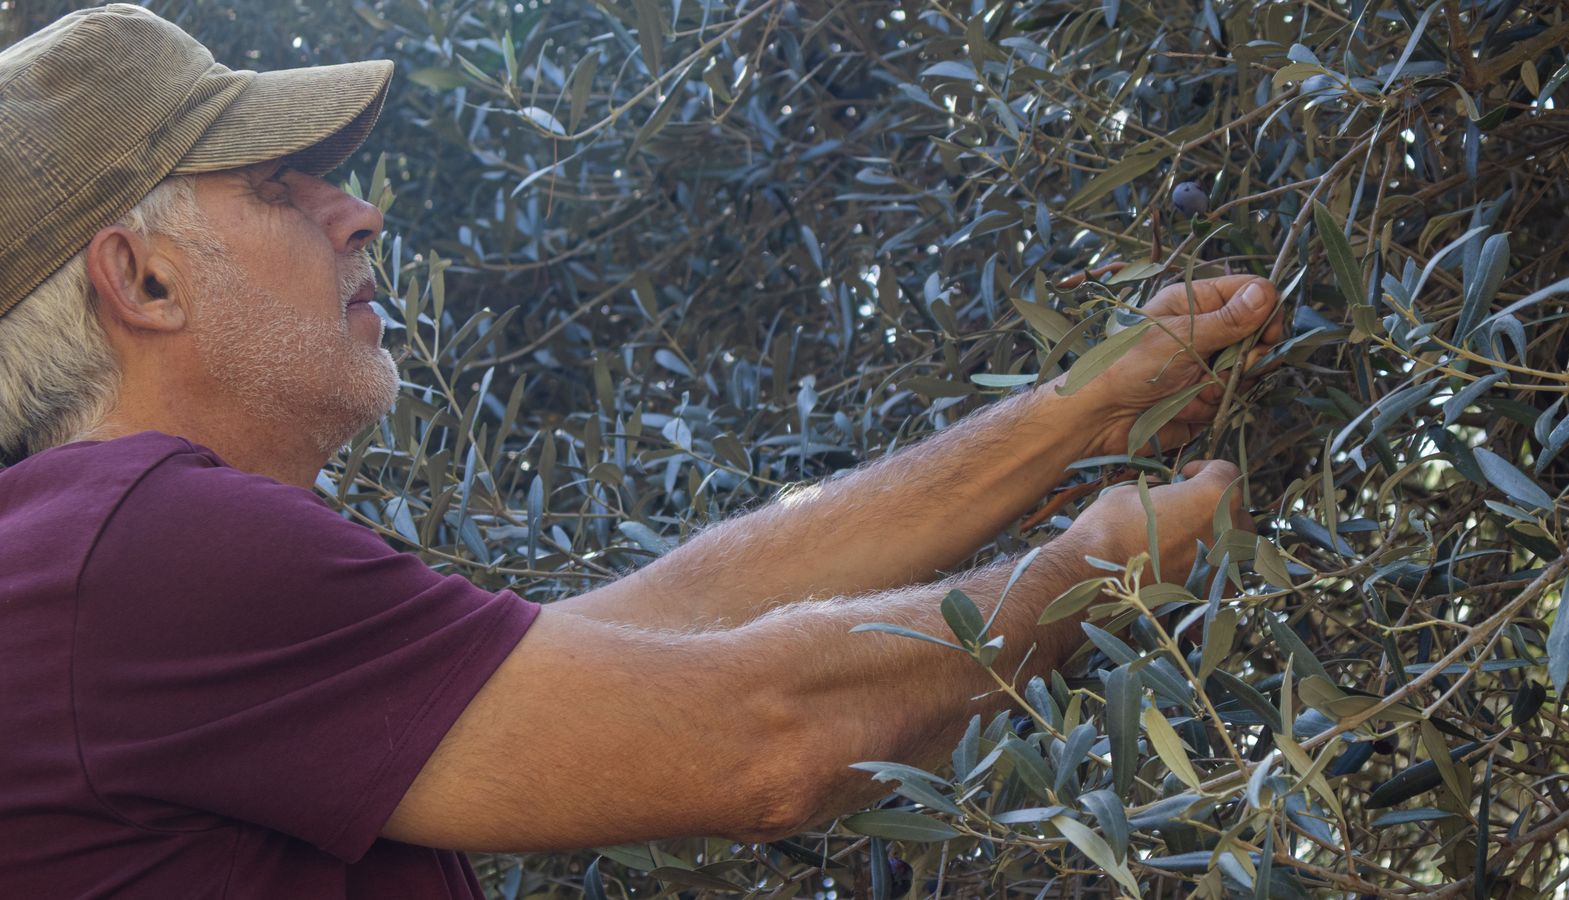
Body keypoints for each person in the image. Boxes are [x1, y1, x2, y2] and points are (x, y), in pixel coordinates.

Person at [0, 5, 1283, 898]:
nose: (359, 211)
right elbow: (759, 735)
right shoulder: (149, 552)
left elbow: (662, 627)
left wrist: (1068, 417)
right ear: (144, 277)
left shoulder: (83, 567)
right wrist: (1091, 571)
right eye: (280, 187)